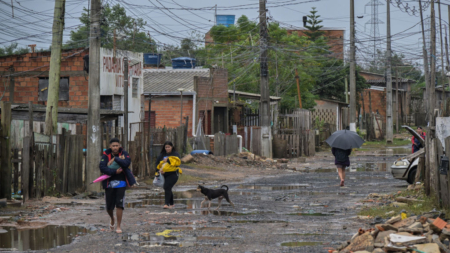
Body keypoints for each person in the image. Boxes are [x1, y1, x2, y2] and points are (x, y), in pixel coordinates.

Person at [99, 138, 136, 234]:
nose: (115, 147)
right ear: (110, 146)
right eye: (113, 146)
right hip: (109, 183)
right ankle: (112, 218)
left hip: (121, 182)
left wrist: (116, 159)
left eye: (117, 145)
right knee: (109, 207)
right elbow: (102, 167)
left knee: (119, 204)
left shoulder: (124, 153)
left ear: (119, 145)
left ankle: (118, 226)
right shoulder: (105, 154)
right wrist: (114, 171)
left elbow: (126, 163)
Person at [155, 141, 182, 209]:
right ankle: (171, 203)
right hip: (164, 174)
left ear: (172, 147)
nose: (167, 148)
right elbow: (157, 164)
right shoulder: (162, 154)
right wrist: (159, 170)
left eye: (169, 147)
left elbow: (177, 163)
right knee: (168, 188)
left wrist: (168, 160)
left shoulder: (175, 154)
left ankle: (166, 204)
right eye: (166, 147)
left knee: (167, 186)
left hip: (173, 174)